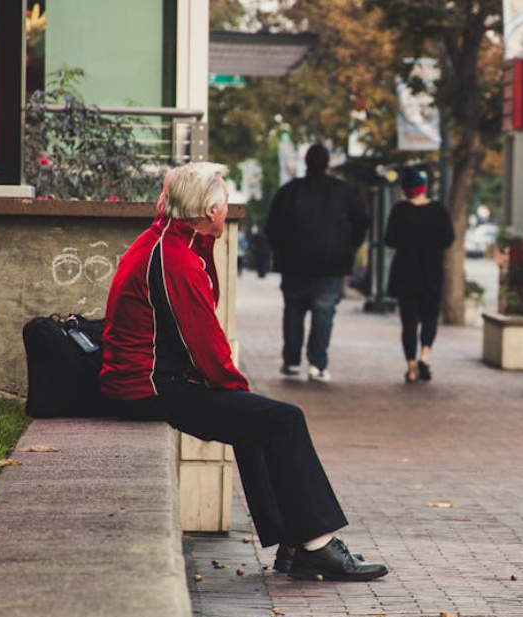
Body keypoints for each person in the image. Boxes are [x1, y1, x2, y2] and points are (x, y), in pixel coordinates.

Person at [99, 162, 388, 582]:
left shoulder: (173, 242)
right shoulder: (174, 257)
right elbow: (205, 342)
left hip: (152, 379)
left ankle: (295, 544)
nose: (228, 207)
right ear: (208, 210)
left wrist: (240, 398)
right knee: (282, 419)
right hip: (147, 386)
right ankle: (317, 547)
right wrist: (238, 391)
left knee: (258, 421)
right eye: (223, 201)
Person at [265, 144, 369, 383]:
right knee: (324, 312)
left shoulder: (289, 192)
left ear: (306, 162)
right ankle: (317, 363)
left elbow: (272, 227)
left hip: (294, 263)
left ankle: (291, 361)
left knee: (293, 310)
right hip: (331, 263)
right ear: (327, 163)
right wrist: (348, 247)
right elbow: (361, 223)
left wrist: (282, 251)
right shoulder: (344, 192)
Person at [385, 167, 455, 384]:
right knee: (430, 318)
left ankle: (411, 368)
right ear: (424, 188)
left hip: (406, 275)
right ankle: (425, 355)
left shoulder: (399, 211)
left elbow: (390, 240)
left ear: (406, 190)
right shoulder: (438, 211)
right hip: (431, 273)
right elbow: (448, 239)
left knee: (409, 323)